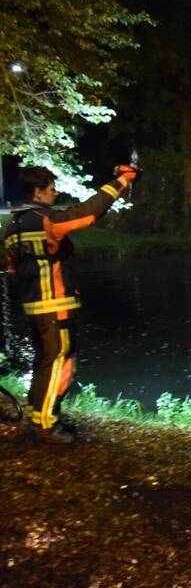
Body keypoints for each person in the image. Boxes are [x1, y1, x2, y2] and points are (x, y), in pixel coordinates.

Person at [3, 165, 138, 443]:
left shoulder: (13, 228)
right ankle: (47, 427)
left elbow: (11, 267)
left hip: (34, 308)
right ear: (38, 191)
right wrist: (121, 182)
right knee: (59, 363)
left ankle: (39, 415)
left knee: (45, 362)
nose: (55, 192)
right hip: (55, 307)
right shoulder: (46, 221)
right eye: (52, 188)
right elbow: (88, 213)